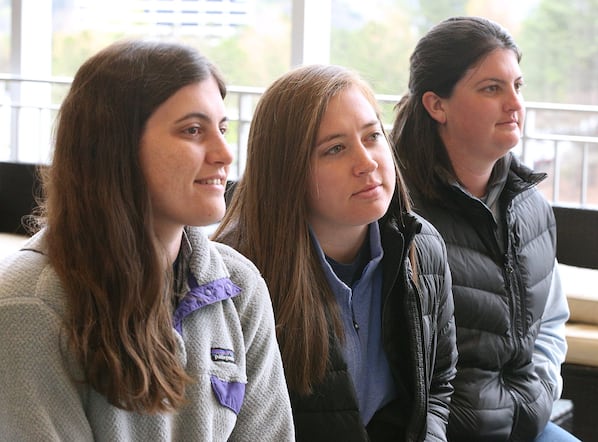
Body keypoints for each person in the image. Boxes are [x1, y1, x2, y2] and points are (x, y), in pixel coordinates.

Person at [0, 40, 294, 441]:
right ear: (115, 147)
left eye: (222, 129)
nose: (225, 153)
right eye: (193, 130)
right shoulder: (29, 307)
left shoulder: (239, 289)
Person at [213, 63, 458, 441]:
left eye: (373, 136)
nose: (367, 162)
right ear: (286, 169)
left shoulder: (421, 245)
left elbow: (438, 382)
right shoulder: (239, 274)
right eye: (336, 149)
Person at [390, 16, 577, 442]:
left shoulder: (531, 204)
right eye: (492, 88)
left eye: (518, 86)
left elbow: (551, 320)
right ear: (437, 105)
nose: (514, 103)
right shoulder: (397, 213)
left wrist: (542, 391)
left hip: (527, 423)